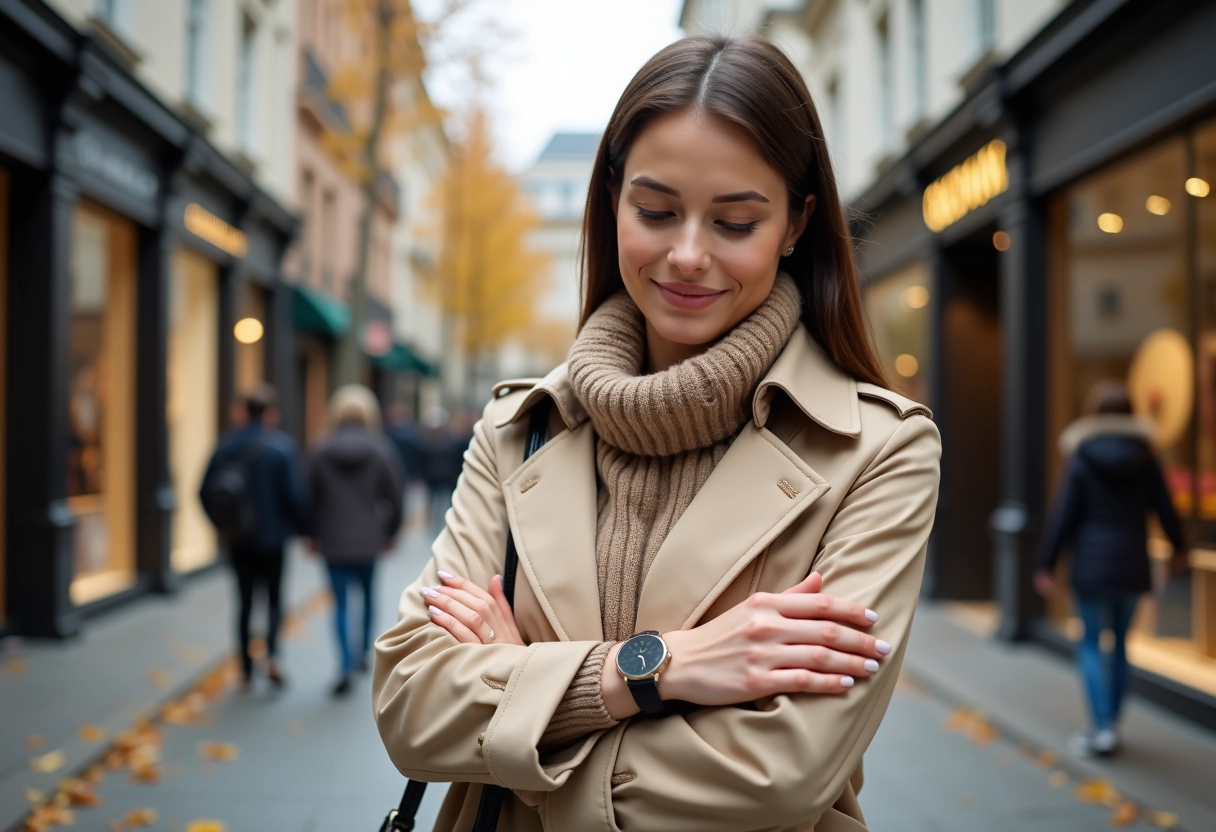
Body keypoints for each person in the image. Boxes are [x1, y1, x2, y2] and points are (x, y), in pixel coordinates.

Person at [373, 35, 941, 832]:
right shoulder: (518, 428)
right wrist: (659, 671)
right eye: (655, 211)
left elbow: (777, 777)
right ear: (612, 201)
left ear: (795, 223)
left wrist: (520, 698)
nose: (686, 255)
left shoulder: (878, 451)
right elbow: (410, 707)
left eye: (735, 222)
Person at [1036, 379, 1185, 758]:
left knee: (1089, 642)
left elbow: (1063, 514)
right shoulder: (1147, 456)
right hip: (1133, 564)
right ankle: (1112, 723)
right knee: (1120, 644)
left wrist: (1046, 563)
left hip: (1090, 564)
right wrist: (1180, 549)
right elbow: (1166, 509)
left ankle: (1100, 728)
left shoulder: (1082, 454)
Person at [200, 384, 307, 693]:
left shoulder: (225, 446)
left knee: (245, 603)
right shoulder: (282, 448)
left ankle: (246, 672)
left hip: (239, 540)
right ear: (271, 414)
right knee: (274, 600)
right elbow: (295, 496)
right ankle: (272, 656)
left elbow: (203, 492)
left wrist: (221, 525)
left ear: (244, 412)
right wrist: (301, 530)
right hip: (274, 541)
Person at [309, 385, 404, 697]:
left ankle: (345, 664)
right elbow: (395, 496)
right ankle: (363, 652)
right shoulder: (380, 449)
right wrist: (391, 533)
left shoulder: (321, 450)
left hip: (333, 539)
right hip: (368, 538)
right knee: (366, 596)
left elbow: (310, 498)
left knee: (339, 603)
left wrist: (311, 534)